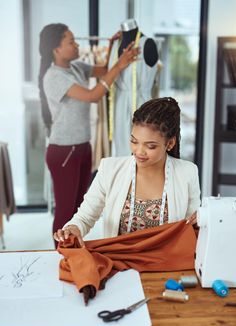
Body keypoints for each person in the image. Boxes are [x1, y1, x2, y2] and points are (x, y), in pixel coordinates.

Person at [38, 23, 139, 245]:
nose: (76, 45)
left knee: (77, 211)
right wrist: (120, 65)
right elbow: (94, 94)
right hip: (64, 150)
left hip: (82, 146)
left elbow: (103, 70)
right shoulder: (53, 77)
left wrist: (112, 45)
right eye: (71, 42)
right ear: (56, 49)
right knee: (65, 212)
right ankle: (61, 256)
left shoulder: (75, 67)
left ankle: (72, 253)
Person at [54, 97, 201, 247]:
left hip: (164, 263)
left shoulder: (187, 173)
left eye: (150, 146)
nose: (139, 151)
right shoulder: (109, 169)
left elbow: (192, 228)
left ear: (170, 143)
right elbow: (85, 217)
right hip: (118, 262)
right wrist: (73, 228)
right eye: (134, 141)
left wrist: (203, 221)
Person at [108, 18, 159, 156]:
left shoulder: (147, 44)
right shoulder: (115, 45)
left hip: (141, 105)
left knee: (142, 154)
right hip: (119, 106)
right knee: (122, 155)